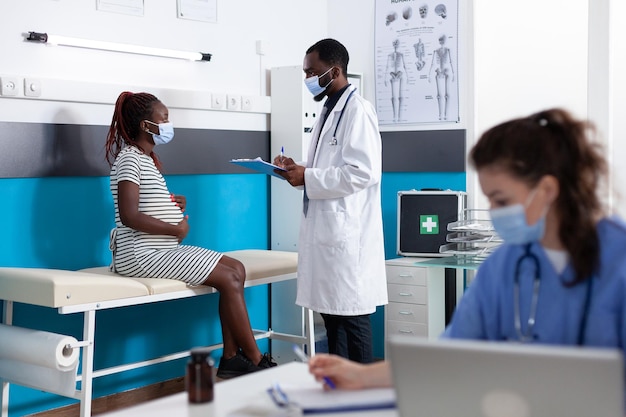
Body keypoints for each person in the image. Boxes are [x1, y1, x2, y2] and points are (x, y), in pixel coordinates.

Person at [308, 108, 626, 391]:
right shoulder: (504, 267)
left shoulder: (618, 262)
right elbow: (451, 355)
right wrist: (361, 376)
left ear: (547, 190)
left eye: (501, 201)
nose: (494, 211)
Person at [104, 91, 276, 379]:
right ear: (146, 125)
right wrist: (176, 228)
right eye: (165, 118)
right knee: (229, 277)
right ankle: (257, 360)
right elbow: (129, 215)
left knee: (237, 268)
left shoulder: (146, 159)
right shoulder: (129, 159)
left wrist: (171, 202)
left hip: (161, 251)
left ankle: (232, 357)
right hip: (141, 255)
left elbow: (145, 201)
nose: (170, 124)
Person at [273, 39, 388, 364]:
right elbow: (332, 169)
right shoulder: (328, 110)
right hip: (328, 236)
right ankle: (338, 390)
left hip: (347, 238)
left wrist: (308, 177)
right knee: (333, 318)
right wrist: (299, 170)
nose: (308, 78)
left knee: (352, 320)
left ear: (335, 71)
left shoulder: (358, 110)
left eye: (313, 71)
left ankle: (364, 397)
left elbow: (362, 173)